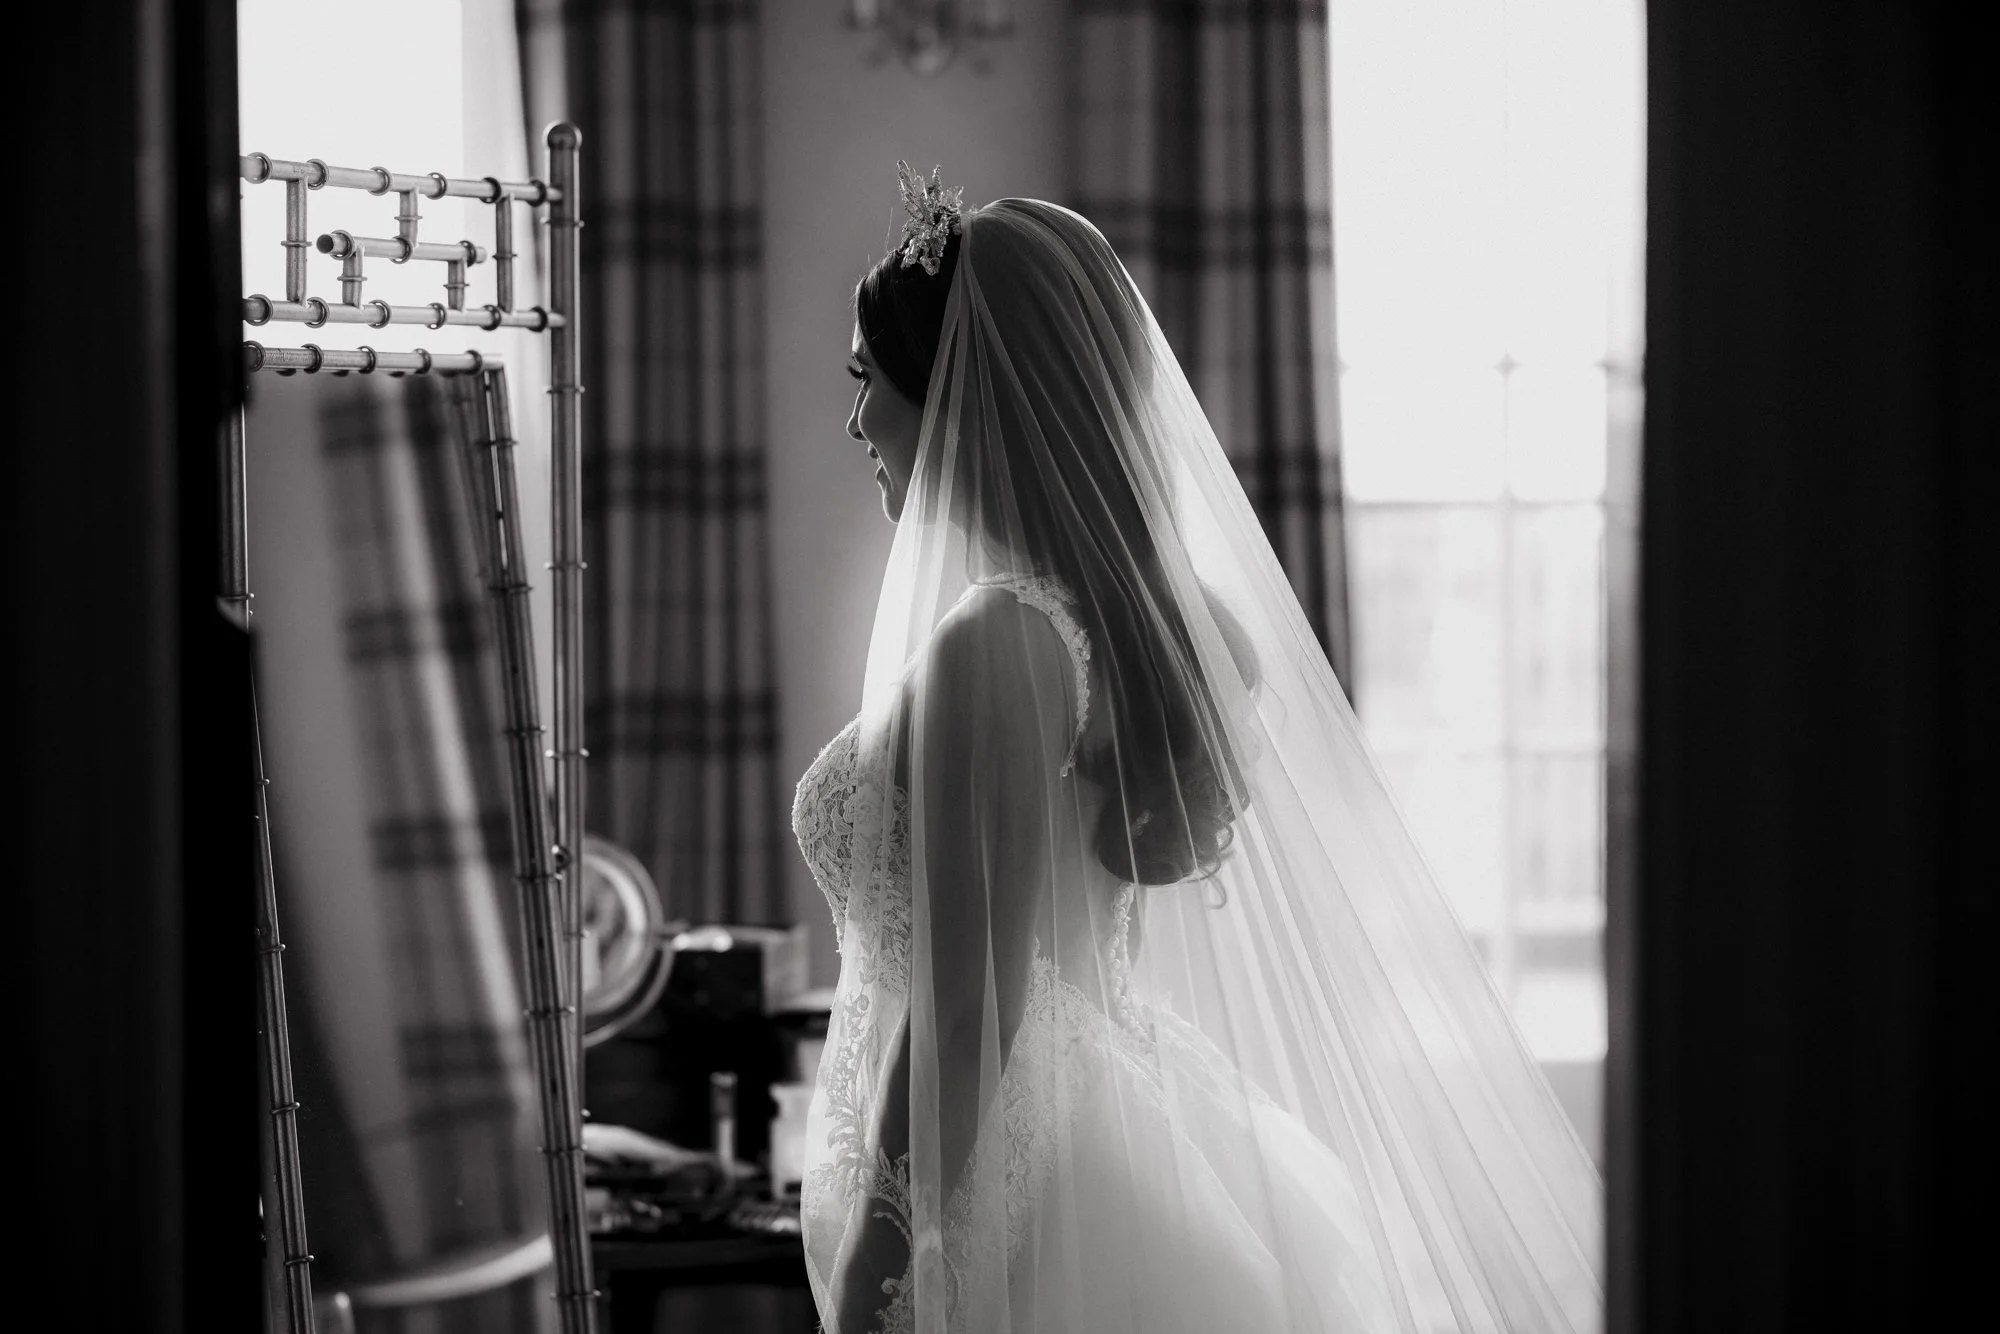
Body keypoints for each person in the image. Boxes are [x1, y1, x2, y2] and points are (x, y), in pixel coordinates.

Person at [790, 162, 1602, 1334]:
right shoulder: (1082, 625)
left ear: (955, 388)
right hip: (1107, 1131)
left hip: (1024, 1195)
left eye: (867, 379)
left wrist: (880, 1263)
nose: (855, 418)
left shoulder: (996, 642)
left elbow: (972, 1014)